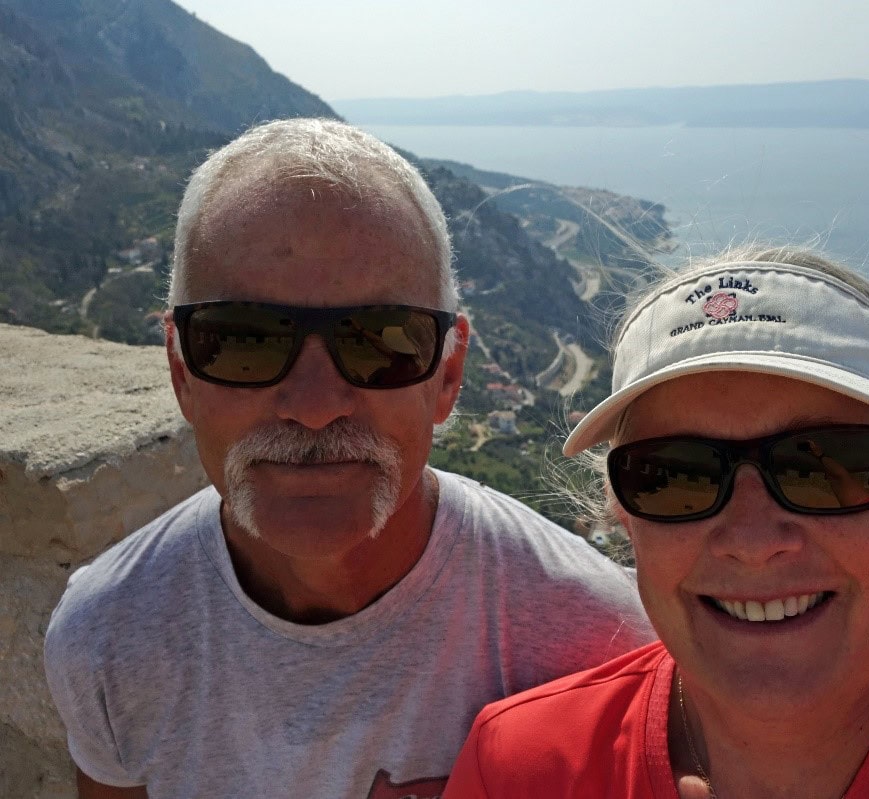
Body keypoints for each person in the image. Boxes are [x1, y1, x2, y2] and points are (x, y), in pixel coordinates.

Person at [42, 118, 654, 799]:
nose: (312, 405)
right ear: (181, 369)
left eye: (379, 342)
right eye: (243, 340)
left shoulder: (598, 639)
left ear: (448, 375)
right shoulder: (108, 635)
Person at [444, 246, 869, 798]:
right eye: (678, 475)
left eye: (823, 465)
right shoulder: (523, 765)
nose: (753, 540)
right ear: (626, 520)